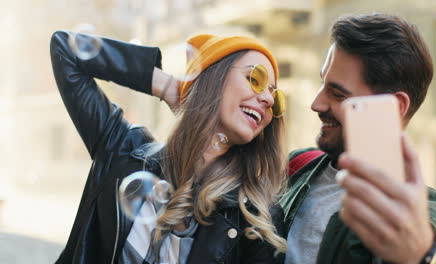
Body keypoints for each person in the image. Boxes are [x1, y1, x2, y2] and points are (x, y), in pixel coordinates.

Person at [50, 31, 288, 263]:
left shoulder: (258, 216)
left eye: (275, 98)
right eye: (255, 79)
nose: (268, 100)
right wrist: (170, 87)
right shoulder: (122, 147)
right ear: (214, 77)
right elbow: (65, 48)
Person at [280, 13, 436, 264]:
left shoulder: (419, 210)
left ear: (394, 108)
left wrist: (421, 255)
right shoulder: (297, 166)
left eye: (338, 94)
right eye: (322, 83)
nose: (316, 104)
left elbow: (425, 248)